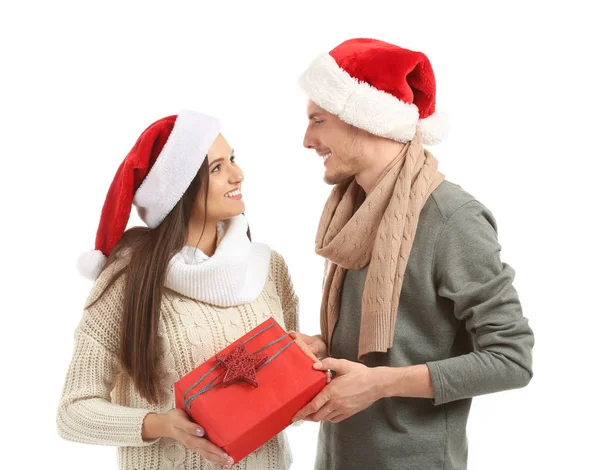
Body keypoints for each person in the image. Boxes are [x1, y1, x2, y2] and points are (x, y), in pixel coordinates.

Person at [291, 38, 535, 470]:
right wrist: (321, 348)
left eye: (318, 120)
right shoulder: (354, 212)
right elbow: (394, 339)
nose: (307, 140)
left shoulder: (451, 218)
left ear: (362, 119)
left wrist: (379, 384)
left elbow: (511, 359)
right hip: (338, 458)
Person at [56, 110, 300, 470]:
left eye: (232, 160)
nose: (238, 174)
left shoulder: (269, 267)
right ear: (179, 189)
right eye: (217, 168)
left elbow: (284, 375)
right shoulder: (129, 280)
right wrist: (161, 425)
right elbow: (73, 412)